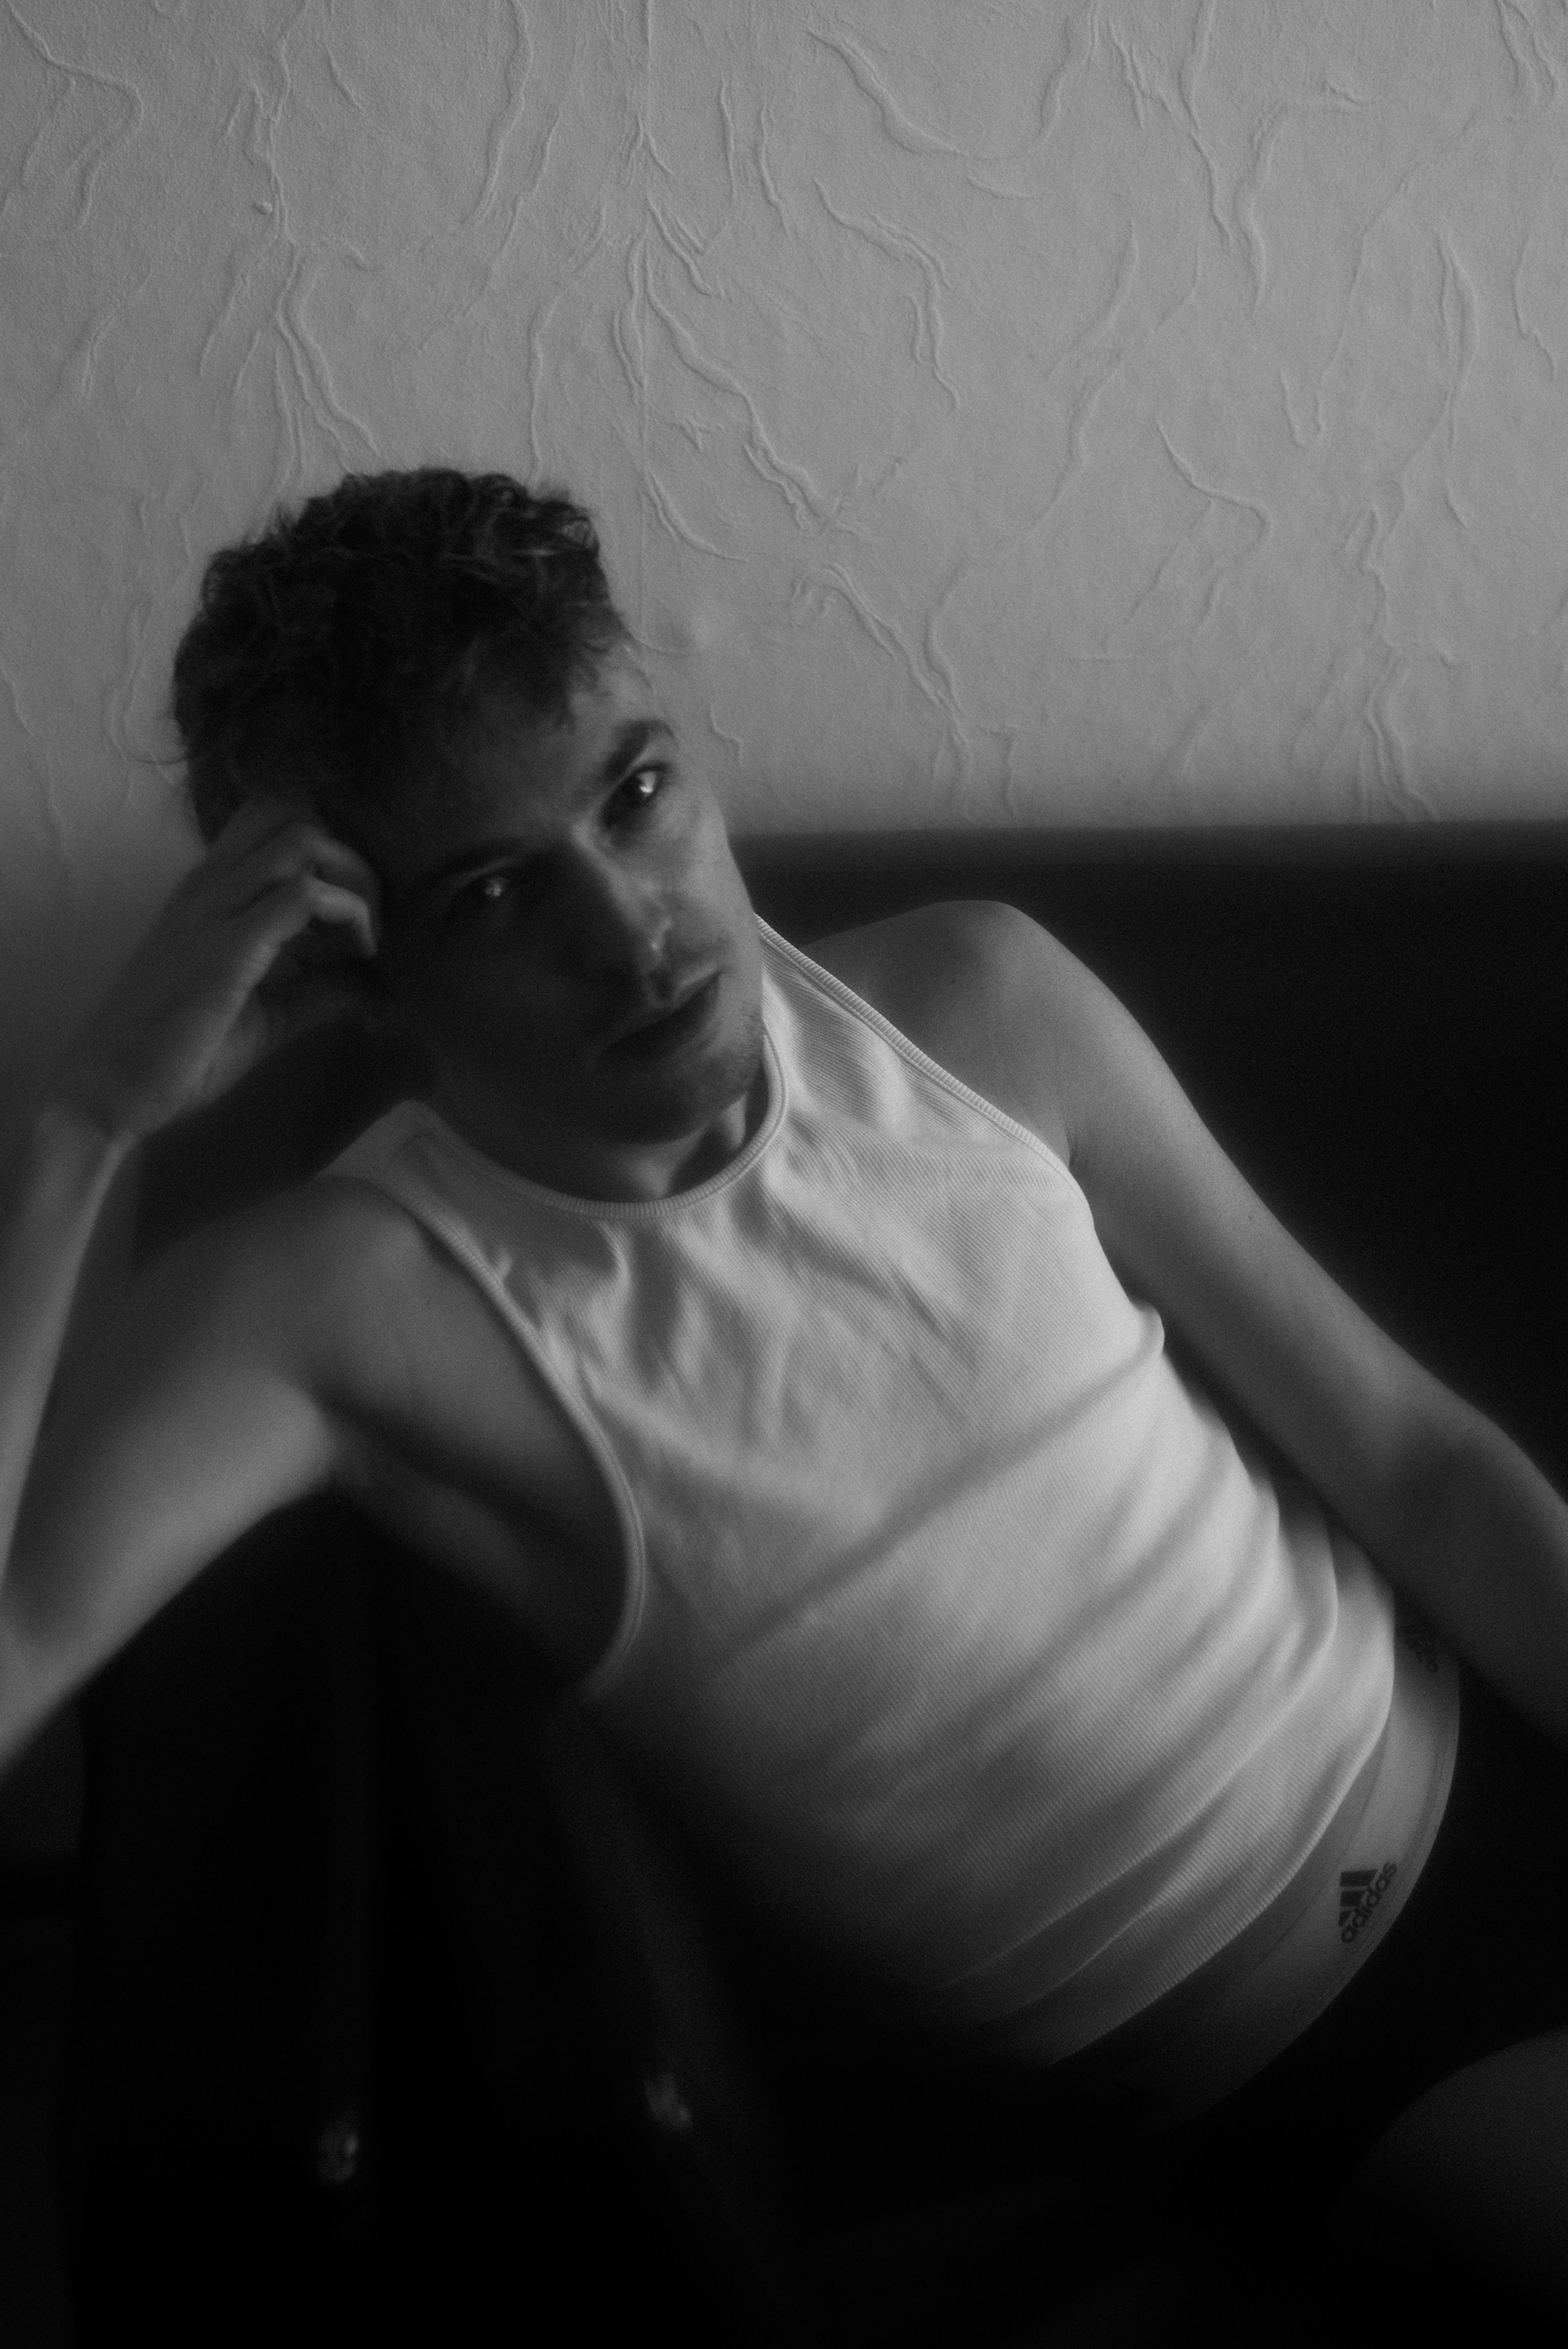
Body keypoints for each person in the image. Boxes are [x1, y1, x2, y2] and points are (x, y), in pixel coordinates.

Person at [2, 468, 1566, 2320]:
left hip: (1498, 1744)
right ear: (360, 967)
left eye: (636, 795)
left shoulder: (976, 1004)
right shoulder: (355, 1303)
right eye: (496, 892)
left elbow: (1413, 1459)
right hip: (1309, 2035)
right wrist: (85, 1122)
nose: (631, 928)